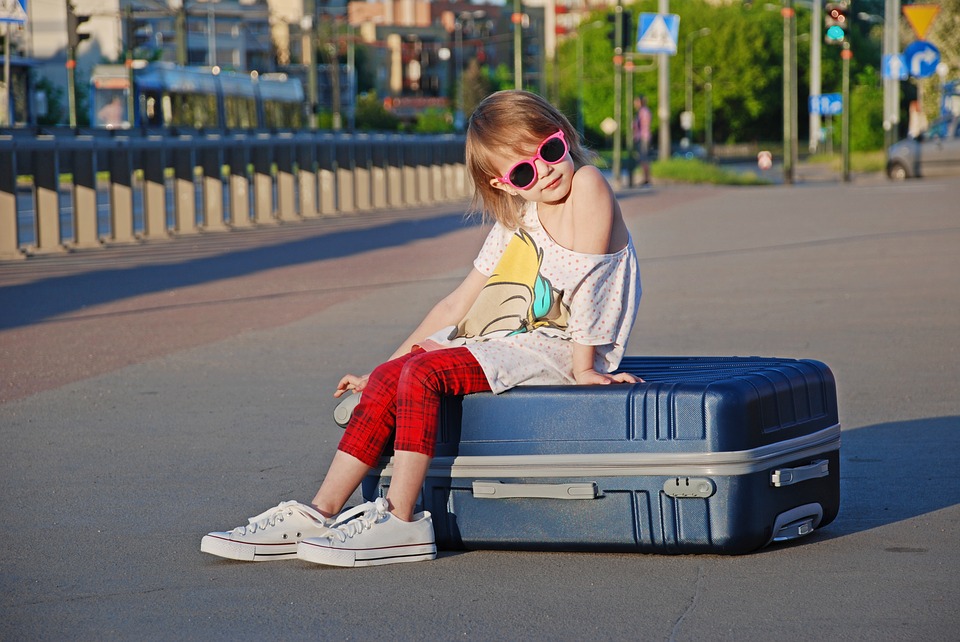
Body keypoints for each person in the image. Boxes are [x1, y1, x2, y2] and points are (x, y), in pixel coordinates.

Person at [200, 90, 643, 568]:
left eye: (551, 150)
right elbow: (457, 303)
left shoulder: (589, 184)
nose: (547, 168)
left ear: (564, 136)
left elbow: (592, 278)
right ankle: (319, 512)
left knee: (425, 374)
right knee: (399, 374)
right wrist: (383, 368)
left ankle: (401, 518)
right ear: (506, 184)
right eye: (523, 170)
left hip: (558, 348)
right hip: (506, 342)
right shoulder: (519, 220)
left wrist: (584, 368)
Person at [632, 96, 652, 186]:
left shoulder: (644, 112)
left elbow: (642, 125)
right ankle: (645, 178)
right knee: (642, 158)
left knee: (644, 158)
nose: (634, 104)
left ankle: (646, 178)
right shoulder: (640, 112)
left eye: (636, 101)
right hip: (640, 137)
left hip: (643, 137)